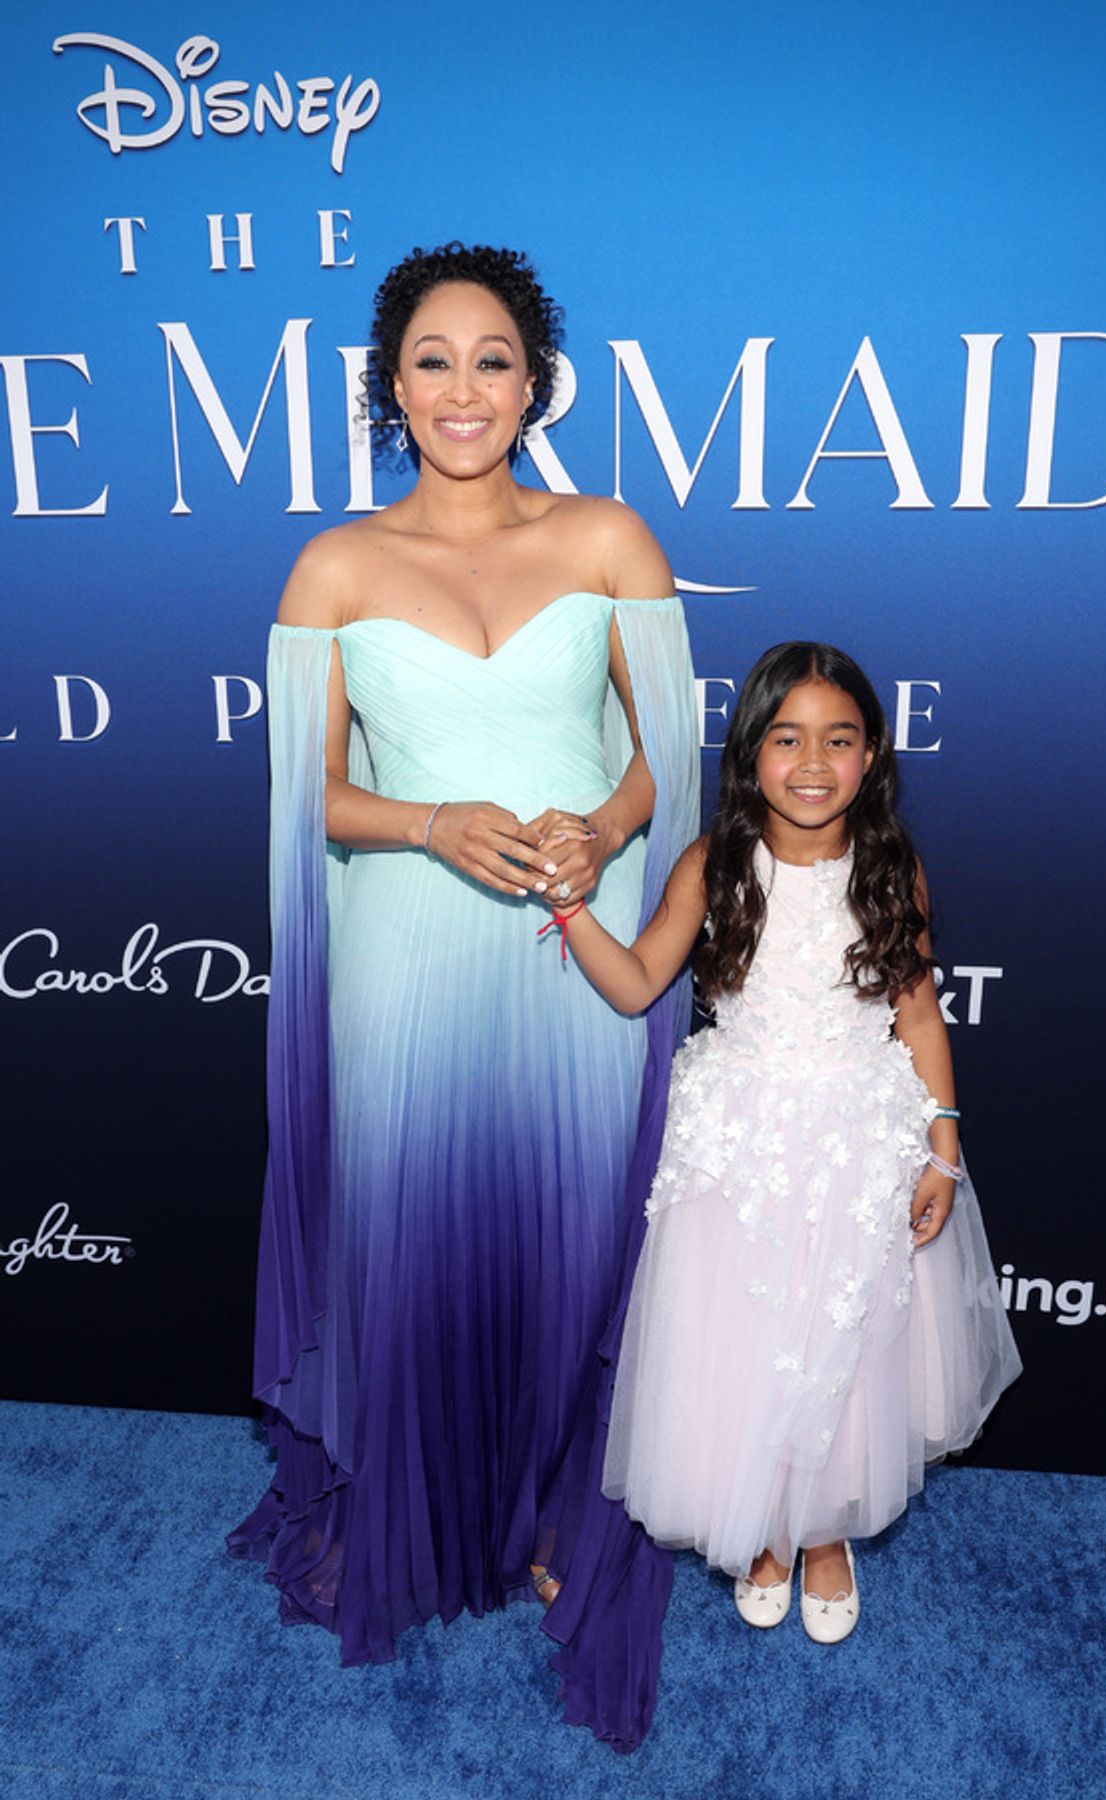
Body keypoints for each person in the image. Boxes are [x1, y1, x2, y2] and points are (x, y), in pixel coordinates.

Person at [228, 244, 698, 1748]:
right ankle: (423, 1522)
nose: (463, 389)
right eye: (431, 360)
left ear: (533, 380)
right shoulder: (336, 567)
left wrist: (603, 829)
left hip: (579, 935)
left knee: (574, 1236)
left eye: (492, 359)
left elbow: (670, 759)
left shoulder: (614, 537)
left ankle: (559, 1505)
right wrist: (432, 823)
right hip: (408, 948)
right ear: (391, 385)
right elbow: (312, 797)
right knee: (416, 1239)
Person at [539, 641, 1021, 1636]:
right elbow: (636, 983)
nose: (811, 763)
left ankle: (825, 1524)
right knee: (751, 1339)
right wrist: (571, 909)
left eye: (837, 740)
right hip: (740, 1146)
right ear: (750, 753)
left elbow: (921, 1017)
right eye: (786, 738)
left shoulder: (893, 868)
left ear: (874, 755)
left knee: (846, 1345)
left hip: (859, 1142)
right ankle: (763, 1521)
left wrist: (942, 1144)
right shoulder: (716, 863)